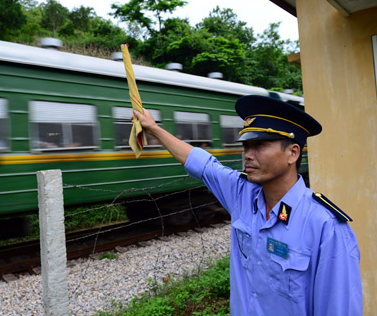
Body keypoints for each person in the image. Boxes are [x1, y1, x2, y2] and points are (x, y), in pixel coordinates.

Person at [133, 95, 362, 316]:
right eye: (246, 146)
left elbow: (338, 308)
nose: (248, 155)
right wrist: (153, 128)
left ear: (293, 153)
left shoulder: (326, 227)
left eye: (259, 145)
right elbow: (202, 164)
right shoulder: (243, 195)